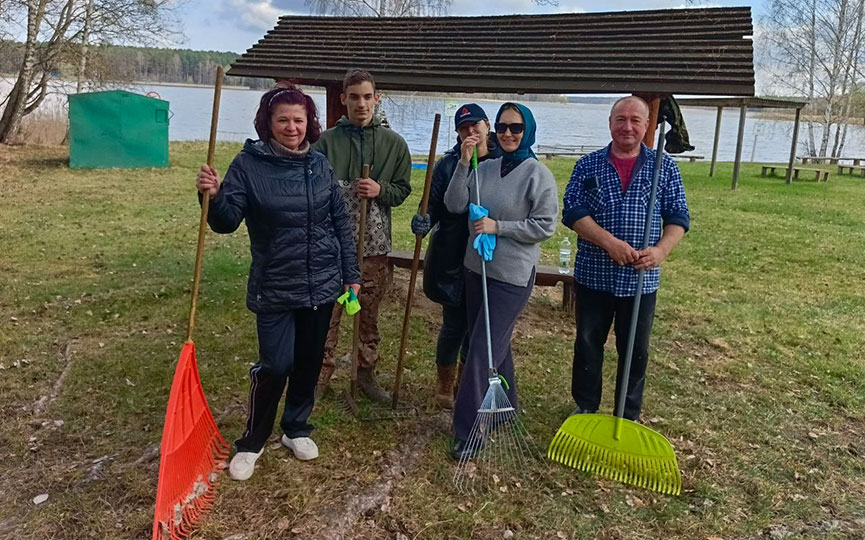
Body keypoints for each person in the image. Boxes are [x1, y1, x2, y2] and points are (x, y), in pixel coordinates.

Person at [195, 86, 361, 481]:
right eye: (283, 119)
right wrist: (214, 196)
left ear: (310, 124)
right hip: (275, 284)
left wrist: (351, 274)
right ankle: (252, 441)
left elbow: (340, 222)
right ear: (268, 122)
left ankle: (296, 428)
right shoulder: (249, 164)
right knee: (276, 364)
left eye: (299, 120)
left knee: (307, 362)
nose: (292, 127)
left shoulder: (319, 165)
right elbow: (226, 221)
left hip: (321, 284)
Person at [561, 96, 690, 423]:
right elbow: (573, 211)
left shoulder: (665, 168)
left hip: (640, 280)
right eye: (621, 119)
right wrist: (609, 243)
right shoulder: (587, 166)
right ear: (610, 123)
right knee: (588, 342)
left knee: (635, 350)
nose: (627, 126)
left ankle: (627, 413)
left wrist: (660, 251)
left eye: (635, 120)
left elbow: (678, 217)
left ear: (647, 125)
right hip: (594, 275)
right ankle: (586, 405)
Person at [444, 102, 558, 459]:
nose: (508, 134)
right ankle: (506, 408)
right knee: (497, 344)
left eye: (516, 128)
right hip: (476, 269)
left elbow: (545, 225)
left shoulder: (537, 175)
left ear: (528, 131)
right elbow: (454, 203)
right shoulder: (484, 166)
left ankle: (467, 429)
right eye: (502, 127)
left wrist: (499, 227)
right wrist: (464, 164)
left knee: (481, 350)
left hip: (510, 276)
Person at [313, 69, 412, 403]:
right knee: (327, 315)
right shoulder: (327, 142)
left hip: (373, 248)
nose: (361, 103)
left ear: (377, 98)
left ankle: (365, 375)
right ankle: (318, 377)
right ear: (343, 100)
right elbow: (313, 189)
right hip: (331, 246)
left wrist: (380, 189)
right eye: (353, 97)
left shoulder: (393, 144)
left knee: (366, 315)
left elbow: (402, 191)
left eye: (367, 96)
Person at [410, 103, 502, 409]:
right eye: (464, 128)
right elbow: (434, 205)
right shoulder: (449, 164)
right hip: (451, 257)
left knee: (479, 328)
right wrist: (423, 219)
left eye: (475, 125)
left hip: (490, 259)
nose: (471, 132)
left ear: (488, 126)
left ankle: (467, 382)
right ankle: (445, 385)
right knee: (454, 324)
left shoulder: (506, 162)